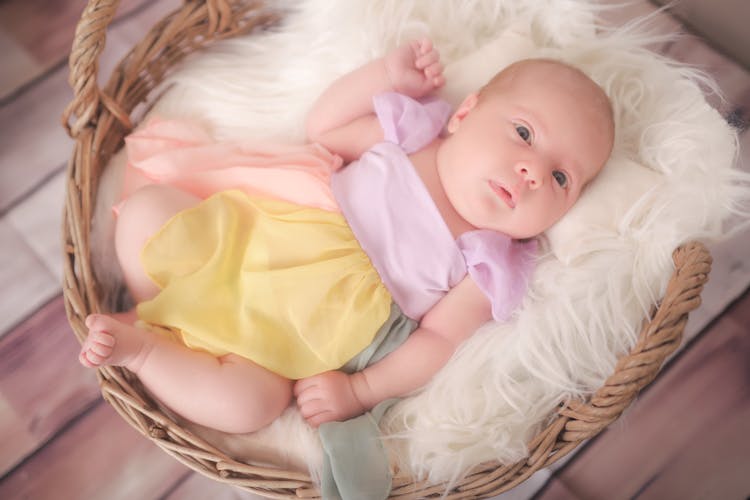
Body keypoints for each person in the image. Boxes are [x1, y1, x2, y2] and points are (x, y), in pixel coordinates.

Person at [78, 38, 615, 433]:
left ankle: (145, 351)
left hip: (296, 336)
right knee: (150, 213)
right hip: (251, 241)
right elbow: (324, 128)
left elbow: (439, 341)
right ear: (465, 113)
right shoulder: (412, 136)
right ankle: (154, 302)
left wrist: (360, 390)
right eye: (524, 133)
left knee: (247, 408)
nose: (532, 172)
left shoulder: (489, 258)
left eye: (561, 178)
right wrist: (384, 75)